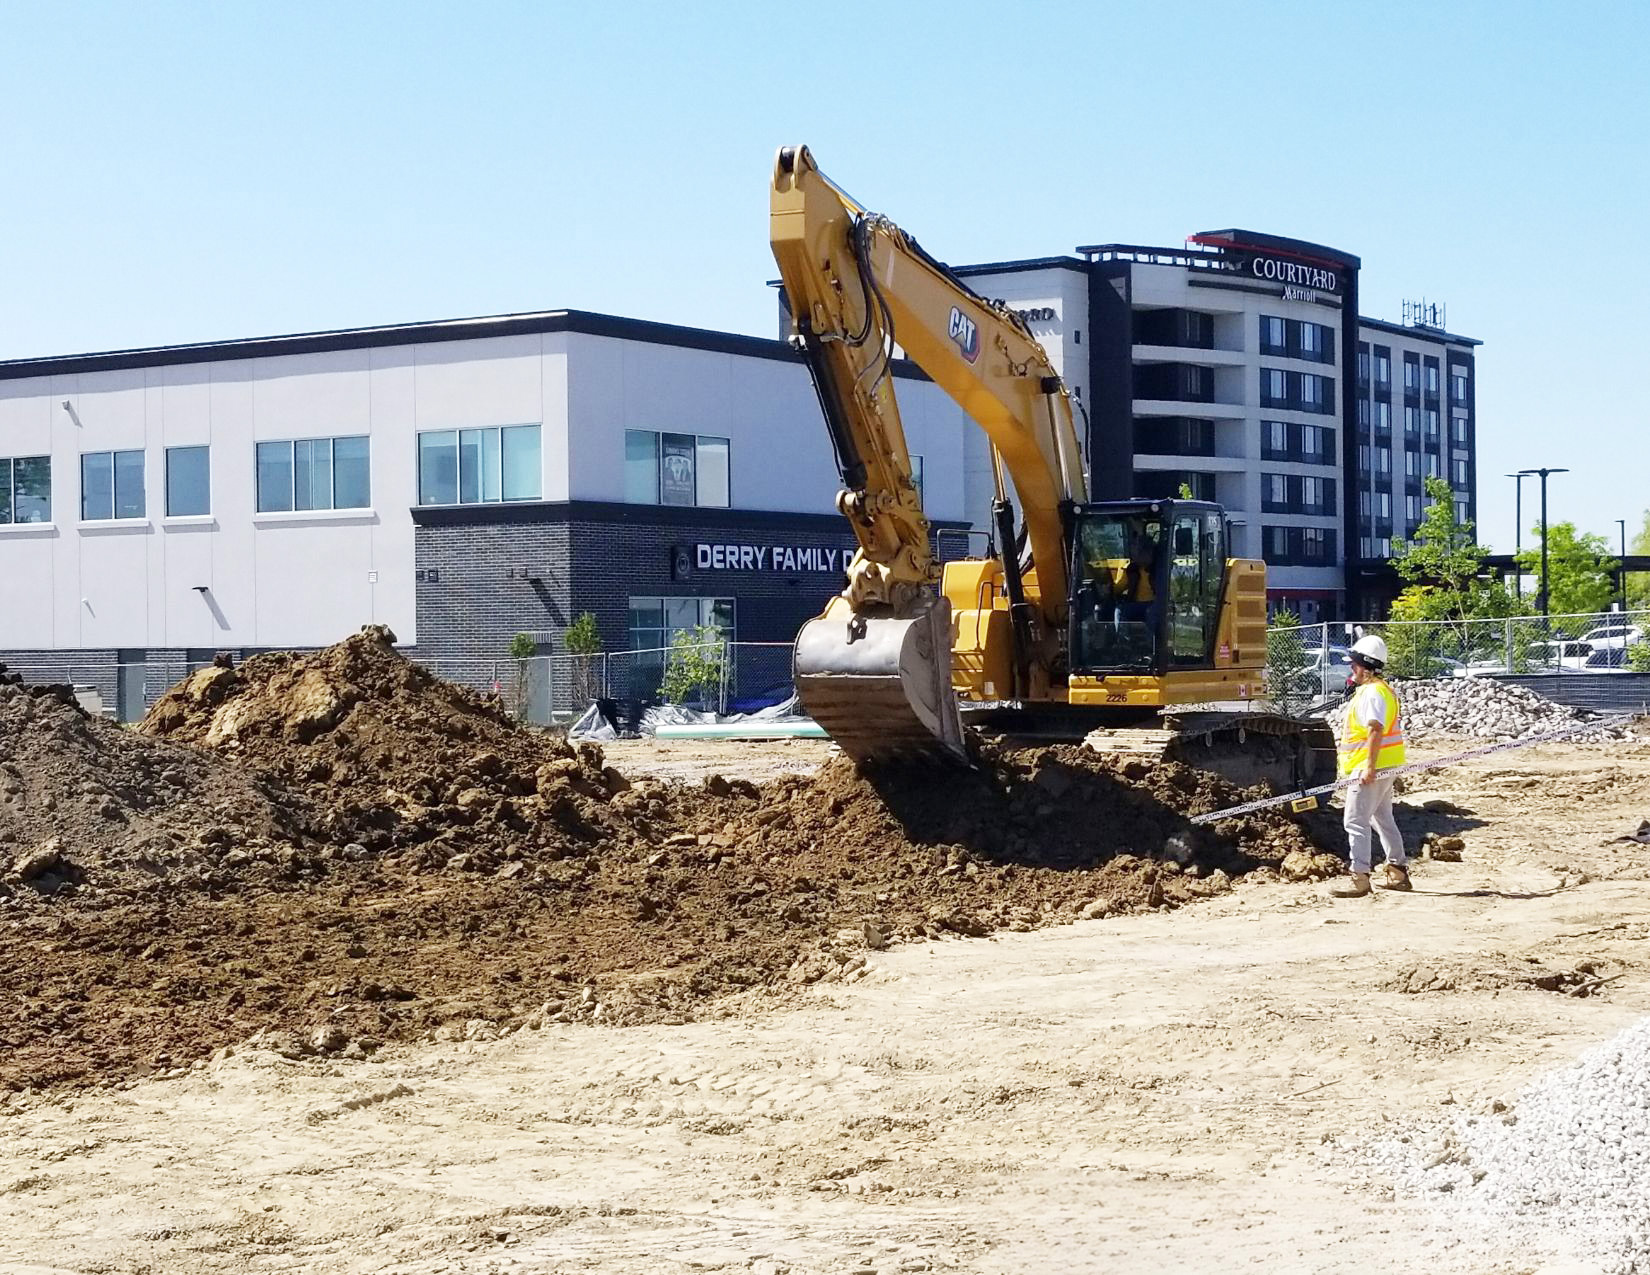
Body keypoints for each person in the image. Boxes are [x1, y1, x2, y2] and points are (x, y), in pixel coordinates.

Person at [1330, 634, 1411, 898]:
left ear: (1364, 667)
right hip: (1387, 766)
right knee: (1382, 818)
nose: (1350, 669)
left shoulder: (1372, 693)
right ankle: (1397, 871)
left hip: (1372, 770)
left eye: (1353, 665)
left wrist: (1368, 766)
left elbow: (1375, 730)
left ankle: (1360, 878)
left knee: (1355, 820)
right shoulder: (1381, 690)